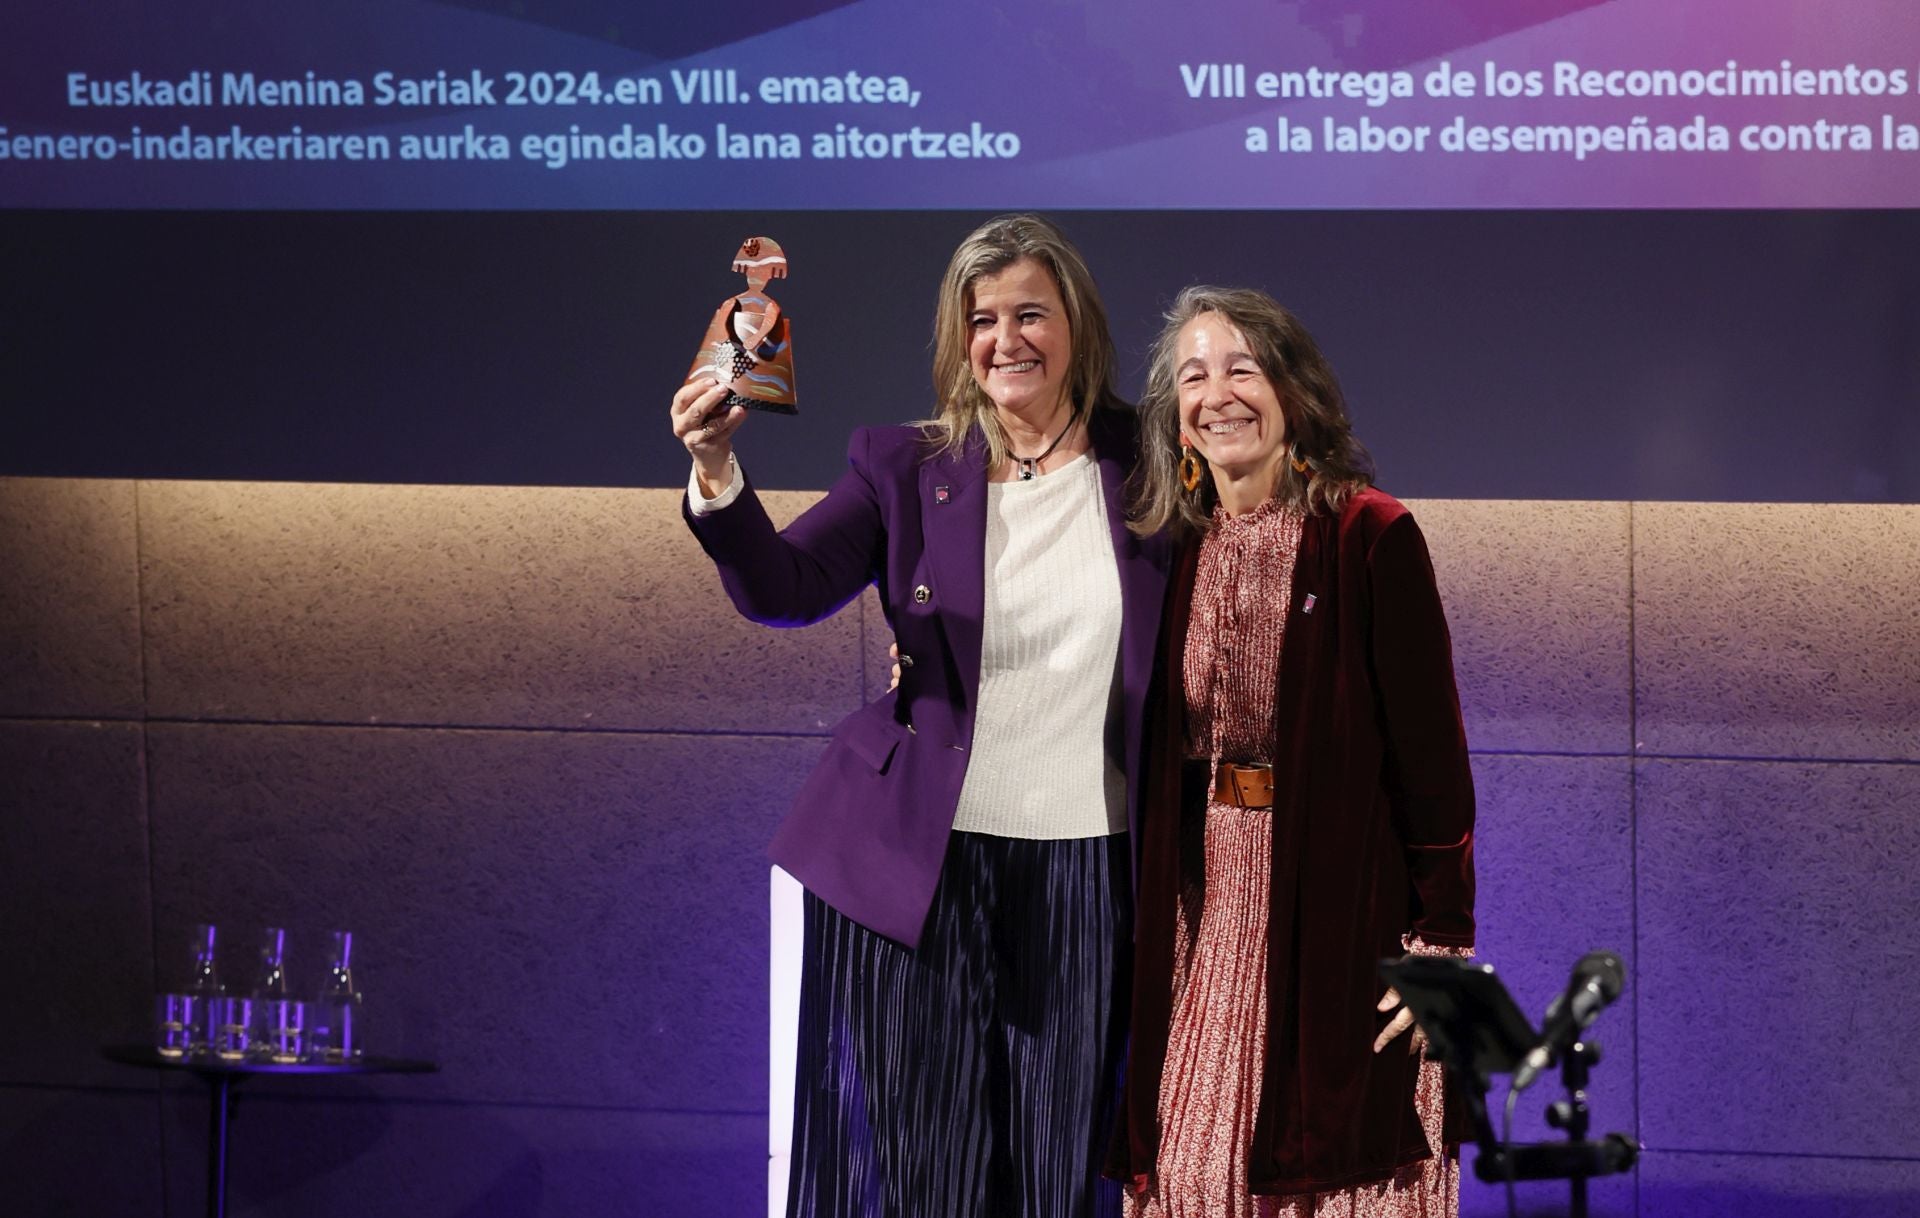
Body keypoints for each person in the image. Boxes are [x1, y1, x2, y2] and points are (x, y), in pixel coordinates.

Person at [672, 214, 1171, 1218]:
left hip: (1090, 870)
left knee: (1062, 1173)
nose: (1006, 340)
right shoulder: (903, 465)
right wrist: (718, 473)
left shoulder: (1154, 459)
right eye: (982, 320)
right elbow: (785, 588)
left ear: (1078, 323)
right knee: (927, 1175)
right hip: (921, 868)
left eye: (1030, 314)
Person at [1111, 286, 1476, 1218]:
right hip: (1206, 910)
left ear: (1295, 391)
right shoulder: (1171, 550)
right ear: (1176, 417)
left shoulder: (1371, 534)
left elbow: (1434, 765)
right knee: (1193, 1171)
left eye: (1243, 369)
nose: (1218, 394)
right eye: (1194, 376)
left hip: (1339, 910)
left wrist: (1442, 946)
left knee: (1336, 1169)